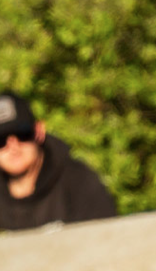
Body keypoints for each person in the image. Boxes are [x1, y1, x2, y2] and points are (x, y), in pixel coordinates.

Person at [0, 91, 117, 232]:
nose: (13, 147)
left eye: (22, 134)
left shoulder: (80, 182)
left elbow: (107, 242)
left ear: (39, 131)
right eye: (1, 140)